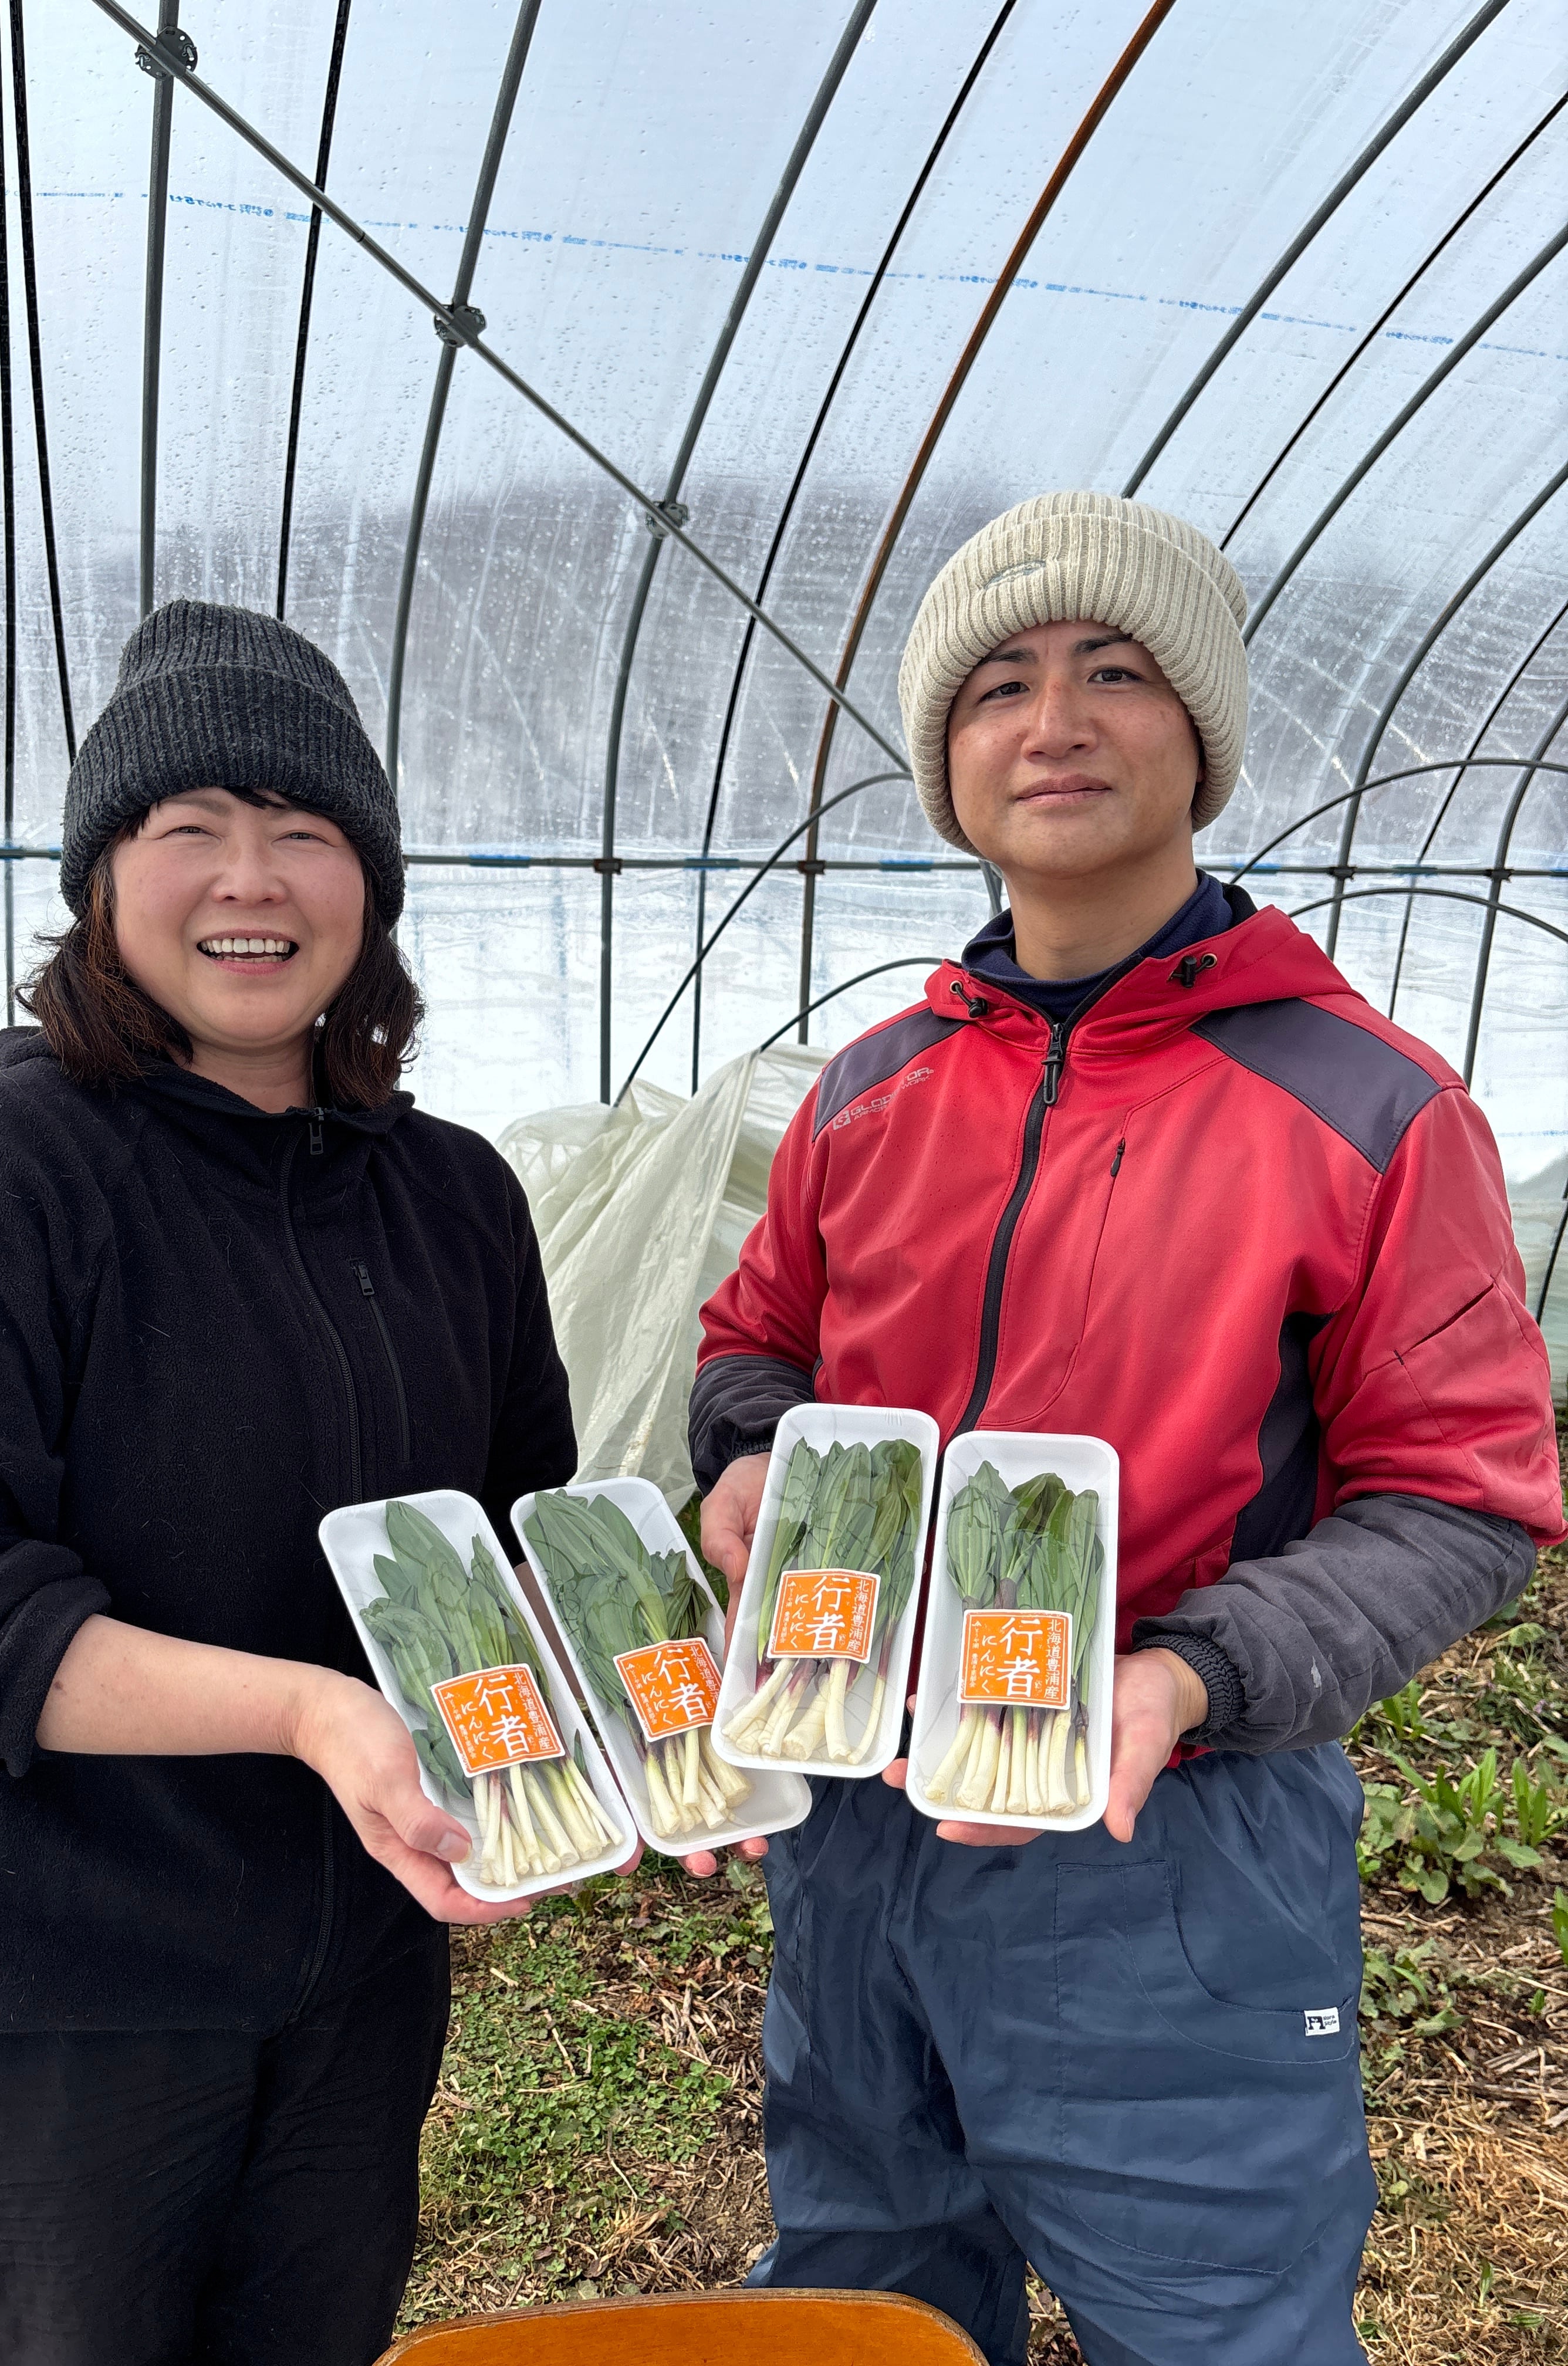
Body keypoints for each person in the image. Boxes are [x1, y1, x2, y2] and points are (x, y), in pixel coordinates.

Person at [691, 491, 1563, 2366]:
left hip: (1165, 1831)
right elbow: (756, 1340)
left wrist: (1184, 1676)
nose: (1055, 724)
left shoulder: (1369, 1107)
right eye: (998, 685)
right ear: (948, 760)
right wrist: (751, 1458)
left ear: (1203, 734)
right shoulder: (870, 1090)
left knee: (1215, 2316)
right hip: (859, 1810)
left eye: (1115, 671)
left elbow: (1462, 1496)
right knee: (868, 2294)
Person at [0, 601, 579, 2366]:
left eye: (304, 829)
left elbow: (516, 1531)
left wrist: (650, 1722)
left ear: (368, 884)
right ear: (102, 880)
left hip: (353, 1972)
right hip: (51, 1986)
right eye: (190, 826)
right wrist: (307, 1711)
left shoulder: (453, 1197)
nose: (252, 878)